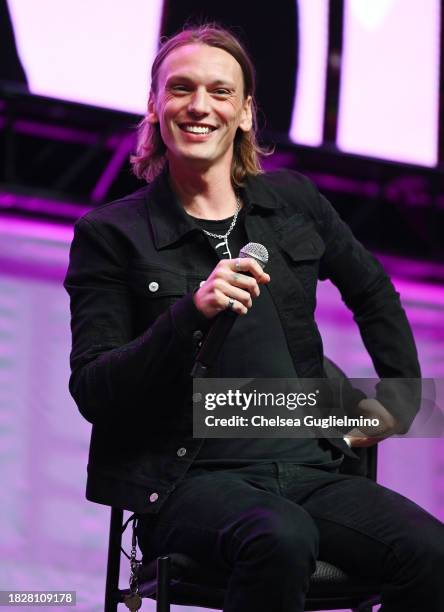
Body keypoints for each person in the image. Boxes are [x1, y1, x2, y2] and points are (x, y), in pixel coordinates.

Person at [64, 24, 444, 612]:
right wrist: (190, 312)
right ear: (155, 106)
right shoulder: (111, 234)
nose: (199, 106)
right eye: (180, 89)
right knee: (281, 537)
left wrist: (401, 399)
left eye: (220, 92)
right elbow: (94, 388)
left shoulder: (293, 201)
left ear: (245, 113)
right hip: (190, 484)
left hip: (311, 466)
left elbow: (372, 290)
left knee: (430, 551)